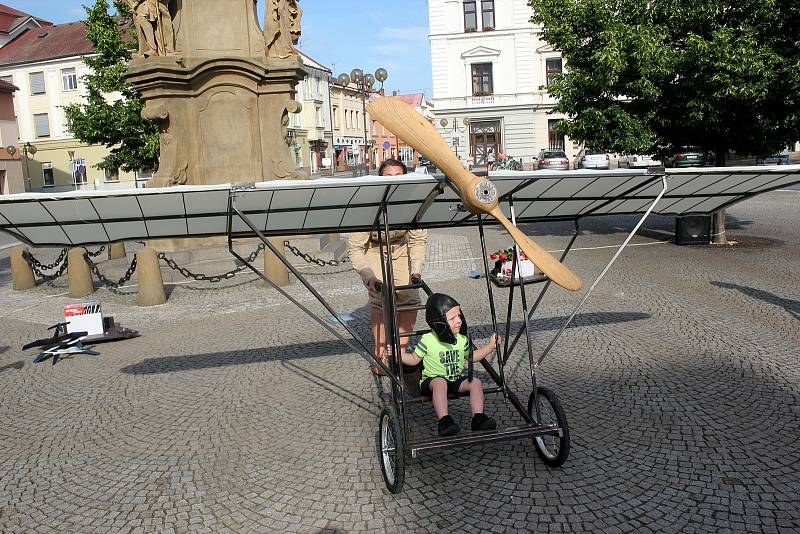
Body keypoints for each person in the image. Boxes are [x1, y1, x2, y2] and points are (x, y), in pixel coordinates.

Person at [348, 159, 428, 375]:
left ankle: (399, 353)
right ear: (379, 179)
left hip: (399, 249)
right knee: (381, 297)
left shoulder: (413, 203)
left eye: (398, 177)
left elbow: (418, 240)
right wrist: (368, 276)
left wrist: (416, 270)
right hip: (374, 249)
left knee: (410, 298)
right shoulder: (366, 204)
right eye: (388, 177)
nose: (393, 182)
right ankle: (381, 354)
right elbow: (355, 248)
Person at [402, 293, 499, 436]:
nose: (458, 321)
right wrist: (399, 355)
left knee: (476, 382)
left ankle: (478, 418)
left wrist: (490, 346)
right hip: (432, 381)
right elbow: (414, 359)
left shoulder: (460, 339)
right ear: (438, 321)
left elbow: (473, 357)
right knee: (440, 383)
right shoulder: (428, 340)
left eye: (459, 316)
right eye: (452, 318)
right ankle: (444, 421)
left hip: (455, 380)